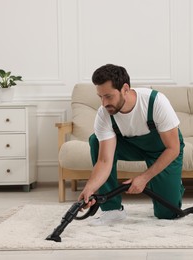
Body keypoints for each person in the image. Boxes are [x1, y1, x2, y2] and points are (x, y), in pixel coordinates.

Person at [78, 64, 185, 225]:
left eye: (108, 96)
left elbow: (173, 148)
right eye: (100, 97)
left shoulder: (155, 102)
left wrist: (144, 178)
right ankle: (112, 210)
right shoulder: (105, 113)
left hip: (162, 150)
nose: (104, 103)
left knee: (168, 214)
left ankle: (174, 186)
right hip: (130, 148)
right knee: (95, 141)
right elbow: (104, 161)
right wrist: (89, 189)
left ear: (125, 89)